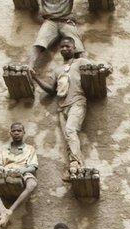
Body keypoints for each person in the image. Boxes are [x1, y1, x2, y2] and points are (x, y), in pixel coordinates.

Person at [32, 36, 94, 172]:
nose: (65, 49)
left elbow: (93, 71)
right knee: (68, 136)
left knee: (70, 130)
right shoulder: (57, 70)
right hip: (62, 106)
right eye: (62, 47)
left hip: (77, 102)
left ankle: (78, 163)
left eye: (68, 46)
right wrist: (35, 78)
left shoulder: (81, 62)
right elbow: (51, 89)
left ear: (74, 48)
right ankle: (74, 164)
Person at [0, 122, 39, 228]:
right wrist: (1, 169)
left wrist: (21, 171)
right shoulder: (3, 148)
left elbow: (33, 166)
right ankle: (1, 208)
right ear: (10, 133)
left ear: (23, 133)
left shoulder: (30, 149)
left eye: (19, 131)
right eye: (14, 131)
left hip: (22, 171)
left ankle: (10, 210)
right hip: (5, 171)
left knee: (32, 184)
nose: (16, 133)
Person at [27, 0, 85, 70]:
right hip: (50, 21)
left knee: (77, 44)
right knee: (39, 42)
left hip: (66, 21)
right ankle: (30, 67)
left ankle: (85, 66)